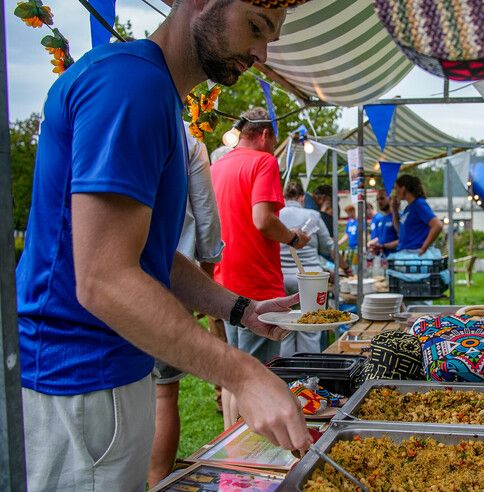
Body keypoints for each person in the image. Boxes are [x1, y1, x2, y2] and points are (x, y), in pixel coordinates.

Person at [15, 1, 315, 490]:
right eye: (256, 27)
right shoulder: (133, 87)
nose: (260, 53)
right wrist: (243, 375)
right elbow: (104, 278)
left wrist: (240, 309)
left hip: (103, 378)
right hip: (80, 383)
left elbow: (146, 256)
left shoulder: (151, 90)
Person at [211, 107, 309, 428]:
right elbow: (263, 221)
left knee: (234, 369)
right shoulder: (263, 161)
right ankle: (251, 444)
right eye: (273, 140)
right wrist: (293, 238)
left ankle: (231, 439)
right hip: (257, 283)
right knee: (258, 374)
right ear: (265, 134)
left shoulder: (218, 165)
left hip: (224, 280)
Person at [147, 122, 225, 486]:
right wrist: (207, 265)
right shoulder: (188, 141)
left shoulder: (83, 103)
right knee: (164, 393)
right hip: (168, 282)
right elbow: (206, 221)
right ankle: (159, 479)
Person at [278, 181, 351, 356]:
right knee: (310, 329)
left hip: (281, 276)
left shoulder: (276, 215)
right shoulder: (313, 215)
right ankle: (308, 377)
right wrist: (346, 267)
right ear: (302, 198)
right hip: (311, 278)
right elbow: (329, 248)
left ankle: (286, 378)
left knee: (285, 328)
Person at [391, 174, 443, 254]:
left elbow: (437, 225)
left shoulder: (419, 204)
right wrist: (394, 210)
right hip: (406, 252)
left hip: (415, 253)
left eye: (396, 188)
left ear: (403, 188)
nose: (395, 192)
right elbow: (400, 230)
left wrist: (424, 247)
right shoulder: (408, 208)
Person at [368, 188, 398, 256]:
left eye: (382, 198)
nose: (379, 201)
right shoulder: (381, 219)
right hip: (383, 260)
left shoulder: (397, 217)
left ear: (390, 199)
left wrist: (383, 246)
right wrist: (373, 245)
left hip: (396, 259)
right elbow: (380, 238)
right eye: (377, 199)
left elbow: (402, 240)